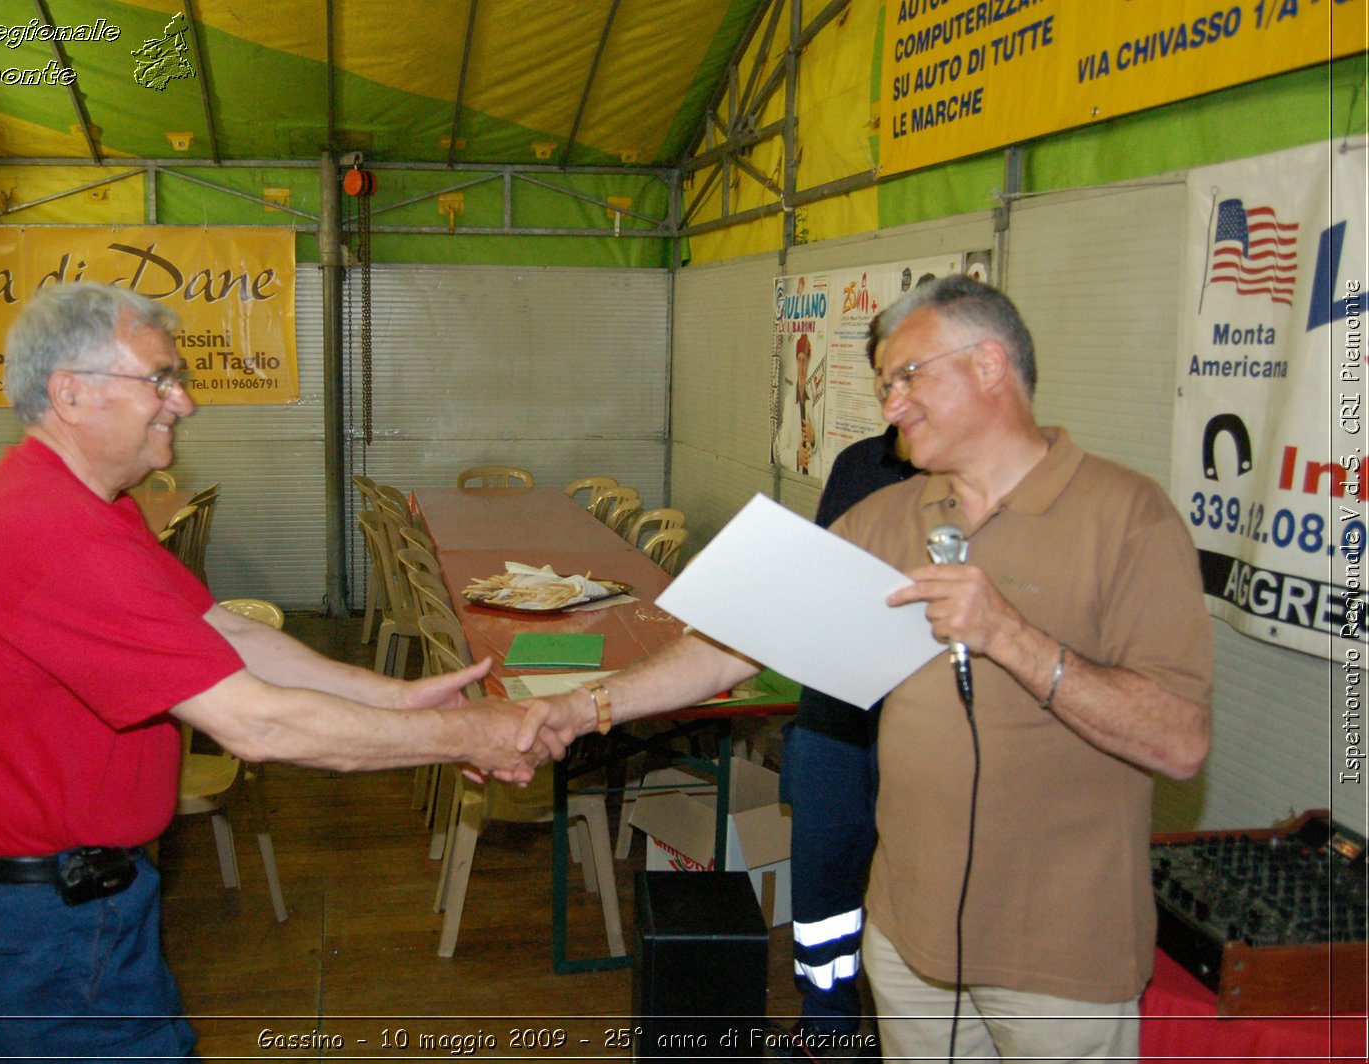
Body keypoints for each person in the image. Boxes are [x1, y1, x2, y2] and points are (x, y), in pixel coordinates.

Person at [519, 274, 1213, 1059]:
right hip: (908, 945)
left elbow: (1179, 740)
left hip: (1058, 966)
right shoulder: (886, 516)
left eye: (907, 376)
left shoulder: (1126, 516)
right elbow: (730, 646)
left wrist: (1013, 638)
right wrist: (586, 709)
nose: (890, 404)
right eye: (883, 384)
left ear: (989, 366)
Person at [0, 282, 545, 1061]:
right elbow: (258, 722)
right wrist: (465, 735)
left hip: (48, 901)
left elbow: (220, 631)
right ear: (70, 393)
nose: (184, 401)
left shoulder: (87, 505)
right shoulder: (48, 531)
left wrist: (400, 697)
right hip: (45, 920)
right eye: (161, 379)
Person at [779, 421, 914, 1060]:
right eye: (890, 381)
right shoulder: (860, 462)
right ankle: (825, 1032)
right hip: (832, 719)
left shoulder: (982, 484)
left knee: (905, 893)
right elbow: (821, 582)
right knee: (822, 881)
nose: (899, 396)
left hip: (915, 729)